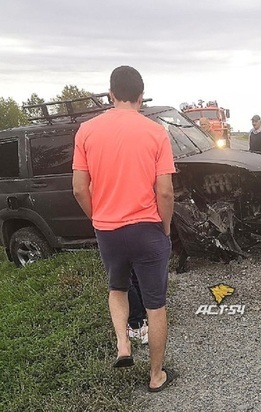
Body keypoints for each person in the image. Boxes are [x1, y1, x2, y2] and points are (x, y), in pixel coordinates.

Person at [72, 65, 178, 392]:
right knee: (155, 304)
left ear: (111, 94)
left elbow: (78, 188)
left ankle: (123, 345)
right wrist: (166, 227)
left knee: (117, 288)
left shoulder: (86, 131)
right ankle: (156, 375)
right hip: (147, 228)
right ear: (141, 96)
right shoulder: (156, 132)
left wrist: (98, 217)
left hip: (108, 230)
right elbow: (165, 191)